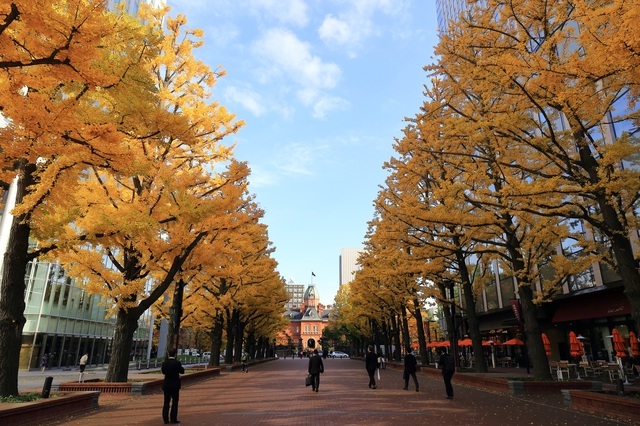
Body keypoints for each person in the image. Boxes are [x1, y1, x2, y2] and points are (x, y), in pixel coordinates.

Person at [162, 348, 185, 424]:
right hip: (175, 385)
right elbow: (182, 371)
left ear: (168, 354)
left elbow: (163, 372)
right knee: (175, 402)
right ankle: (173, 418)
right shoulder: (177, 363)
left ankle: (165, 419)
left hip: (167, 385)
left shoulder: (164, 363)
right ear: (175, 354)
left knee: (166, 402)